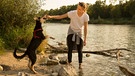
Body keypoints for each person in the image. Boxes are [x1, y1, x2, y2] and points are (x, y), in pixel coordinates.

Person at [46, 2, 89, 69]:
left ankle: (80, 65)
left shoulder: (86, 16)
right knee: (70, 49)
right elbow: (61, 16)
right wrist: (51, 17)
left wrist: (85, 39)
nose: (78, 10)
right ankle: (69, 63)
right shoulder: (72, 13)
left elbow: (86, 28)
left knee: (80, 50)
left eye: (80, 9)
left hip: (80, 33)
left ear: (84, 10)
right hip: (71, 31)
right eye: (77, 8)